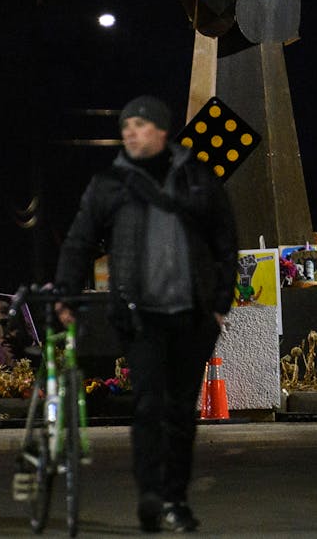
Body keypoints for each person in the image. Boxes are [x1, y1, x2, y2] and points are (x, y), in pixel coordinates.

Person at [54, 95, 238, 533]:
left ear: (160, 130)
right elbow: (79, 241)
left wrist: (218, 307)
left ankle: (176, 498)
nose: (130, 132)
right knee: (148, 405)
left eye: (139, 124)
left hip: (193, 317)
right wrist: (66, 294)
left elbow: (225, 243)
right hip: (140, 318)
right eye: (126, 126)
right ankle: (151, 494)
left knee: (180, 413)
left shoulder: (197, 177)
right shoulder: (109, 184)